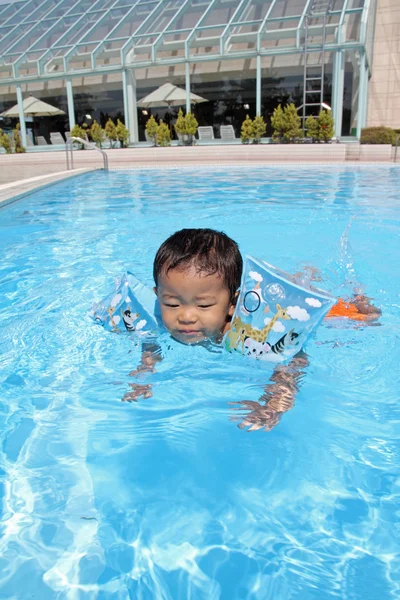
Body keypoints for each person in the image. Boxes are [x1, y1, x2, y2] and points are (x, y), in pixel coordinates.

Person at [123, 228, 381, 430]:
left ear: (232, 303)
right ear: (158, 297)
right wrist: (144, 374)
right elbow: (151, 344)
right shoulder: (159, 321)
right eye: (172, 302)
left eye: (203, 305)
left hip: (289, 313)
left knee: (365, 319)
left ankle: (349, 294)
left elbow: (294, 358)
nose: (186, 316)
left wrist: (275, 401)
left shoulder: (244, 333)